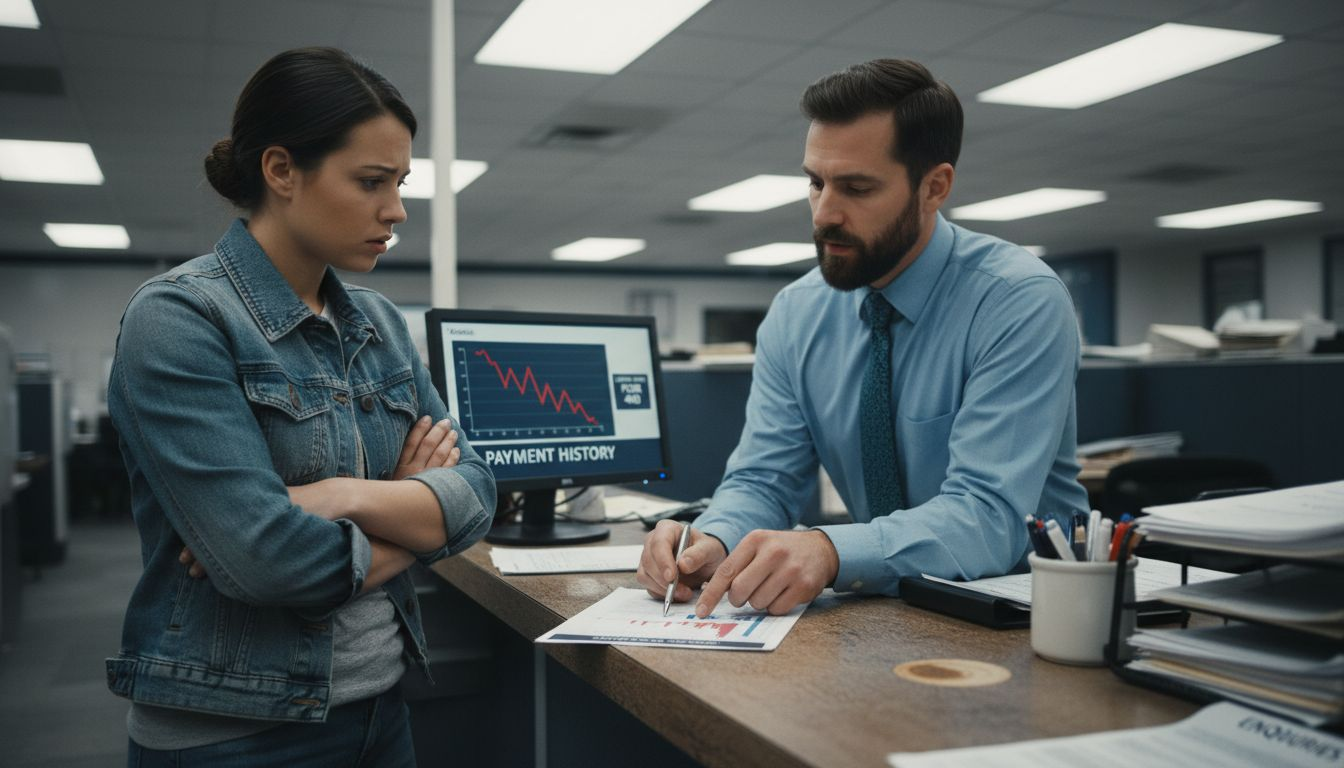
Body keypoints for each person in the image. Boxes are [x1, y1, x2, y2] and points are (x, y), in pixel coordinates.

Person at [104, 47, 495, 766]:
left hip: (383, 708)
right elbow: (267, 562)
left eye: (401, 182)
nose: (397, 209)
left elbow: (476, 493)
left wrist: (341, 495)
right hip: (235, 733)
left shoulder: (377, 322)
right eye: (372, 181)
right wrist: (413, 511)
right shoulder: (181, 319)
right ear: (282, 171)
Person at [638, 58, 1088, 619]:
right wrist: (716, 539)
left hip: (1027, 612)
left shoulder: (1016, 300)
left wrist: (830, 550)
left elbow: (989, 516)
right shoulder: (797, 312)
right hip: (887, 610)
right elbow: (763, 477)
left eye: (856, 187)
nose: (825, 213)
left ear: (934, 187)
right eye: (815, 181)